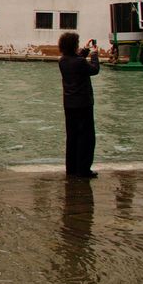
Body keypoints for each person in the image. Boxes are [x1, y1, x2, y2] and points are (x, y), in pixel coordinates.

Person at [58, 32, 99, 178]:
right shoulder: (79, 62)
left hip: (69, 105)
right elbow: (94, 69)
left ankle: (72, 169)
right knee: (86, 138)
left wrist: (85, 50)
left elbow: (77, 60)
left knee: (72, 137)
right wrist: (94, 54)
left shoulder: (62, 61)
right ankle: (83, 170)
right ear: (74, 45)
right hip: (83, 104)